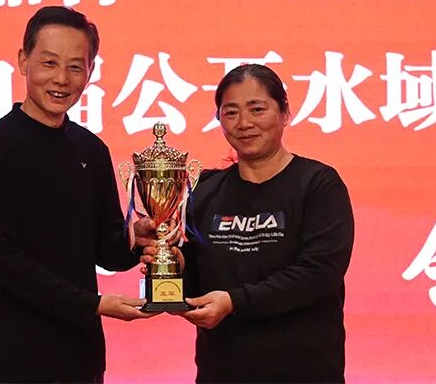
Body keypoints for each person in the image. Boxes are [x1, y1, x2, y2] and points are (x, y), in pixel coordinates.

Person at [0, 6, 155, 384]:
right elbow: (1, 260)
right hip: (9, 359)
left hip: (79, 356)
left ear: (90, 72)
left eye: (75, 67)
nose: (61, 79)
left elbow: (106, 249)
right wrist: (94, 304)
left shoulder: (91, 150)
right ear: (23, 61)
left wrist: (136, 240)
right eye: (49, 63)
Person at [142, 64, 355, 383]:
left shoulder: (318, 185)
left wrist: (234, 302)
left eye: (257, 109)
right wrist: (176, 267)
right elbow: (199, 282)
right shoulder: (205, 191)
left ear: (285, 113)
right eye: (231, 113)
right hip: (222, 371)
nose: (244, 123)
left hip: (303, 371)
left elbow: (319, 273)